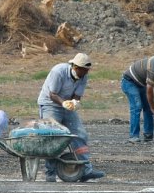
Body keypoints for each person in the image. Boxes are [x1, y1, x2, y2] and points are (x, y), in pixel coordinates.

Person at [37, 53, 105, 183]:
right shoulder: (59, 72)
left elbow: (77, 95)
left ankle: (85, 169)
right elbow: (52, 94)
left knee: (80, 134)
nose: (85, 73)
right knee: (53, 137)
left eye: (87, 70)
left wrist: (75, 103)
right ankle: (50, 173)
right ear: (76, 67)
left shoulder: (83, 76)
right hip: (49, 104)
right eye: (84, 70)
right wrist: (63, 103)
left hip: (66, 105)